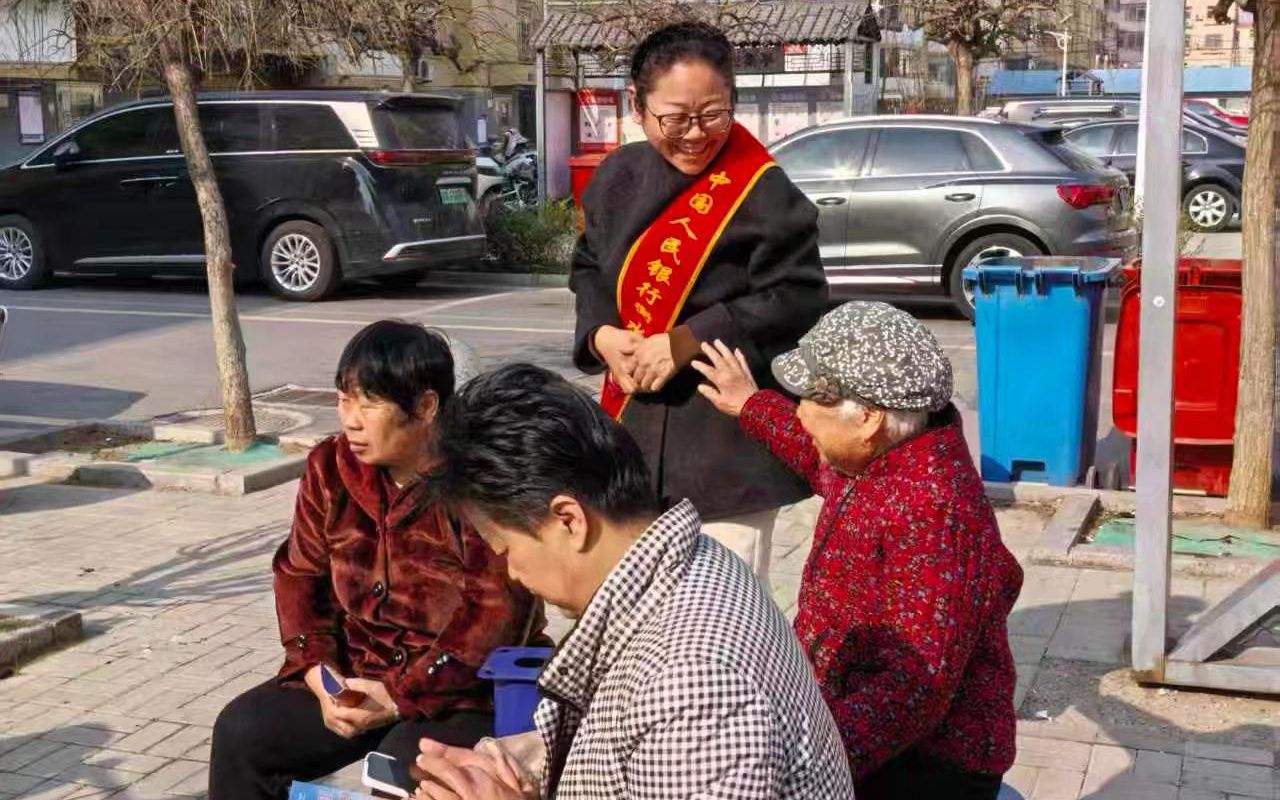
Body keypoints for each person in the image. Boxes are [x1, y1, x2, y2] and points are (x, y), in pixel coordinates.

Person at [409, 364, 854, 800]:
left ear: (569, 520)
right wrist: (507, 767)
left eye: (505, 548)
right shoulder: (688, 561)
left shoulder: (692, 684)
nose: (511, 572)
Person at [694, 302, 1024, 800]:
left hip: (923, 762)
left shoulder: (933, 512)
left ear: (868, 417)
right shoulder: (882, 455)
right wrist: (751, 405)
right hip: (856, 721)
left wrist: (804, 763)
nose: (799, 411)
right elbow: (815, 454)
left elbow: (912, 688)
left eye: (811, 398)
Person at [209, 321, 544, 800]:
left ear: (425, 407)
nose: (350, 420)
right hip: (357, 673)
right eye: (343, 400)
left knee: (397, 772)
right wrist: (318, 673)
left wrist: (400, 694)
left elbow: (494, 613)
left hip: (460, 690)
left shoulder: (474, 479)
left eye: (369, 404)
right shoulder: (331, 467)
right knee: (242, 734)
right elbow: (299, 575)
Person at [570, 21, 828, 580]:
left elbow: (798, 296)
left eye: (713, 114)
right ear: (637, 107)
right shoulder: (617, 176)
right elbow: (589, 265)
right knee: (632, 602)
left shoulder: (762, 189)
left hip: (725, 447)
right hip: (629, 432)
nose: (695, 134)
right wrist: (602, 335)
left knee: (724, 609)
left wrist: (686, 341)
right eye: (676, 118)